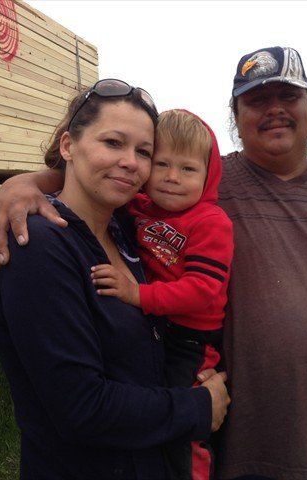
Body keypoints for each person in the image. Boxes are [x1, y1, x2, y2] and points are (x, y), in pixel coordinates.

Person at [0, 47, 307, 480]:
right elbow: (111, 177)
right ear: (235, 116)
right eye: (255, 100)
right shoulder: (202, 191)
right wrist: (28, 182)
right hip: (245, 450)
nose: (274, 110)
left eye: (288, 96)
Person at [0, 79, 230, 480]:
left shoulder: (124, 227)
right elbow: (80, 407)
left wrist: (27, 181)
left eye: (144, 152)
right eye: (113, 143)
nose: (132, 162)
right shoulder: (39, 247)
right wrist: (198, 407)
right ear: (68, 146)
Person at [90, 109, 234, 480]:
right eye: (162, 164)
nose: (172, 178)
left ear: (209, 175)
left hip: (190, 340)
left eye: (188, 169)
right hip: (157, 329)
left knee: (187, 425)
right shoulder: (139, 209)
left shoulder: (210, 222)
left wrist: (138, 295)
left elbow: (203, 291)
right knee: (149, 415)